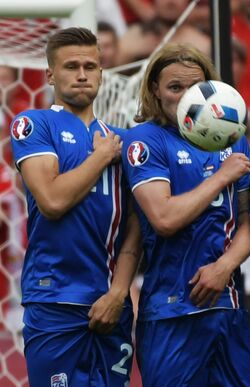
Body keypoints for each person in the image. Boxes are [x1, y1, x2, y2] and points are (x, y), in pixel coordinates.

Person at [9, 27, 141, 386]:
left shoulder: (125, 140)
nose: (82, 74)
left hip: (112, 303)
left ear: (102, 72)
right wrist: (100, 158)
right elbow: (52, 201)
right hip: (54, 298)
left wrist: (119, 293)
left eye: (90, 66)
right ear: (50, 75)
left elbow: (134, 225)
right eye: (71, 66)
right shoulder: (33, 124)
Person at [121, 43, 250, 386]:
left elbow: (249, 222)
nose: (186, 97)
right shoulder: (145, 140)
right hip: (171, 310)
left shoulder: (233, 137)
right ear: (155, 90)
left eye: (194, 88)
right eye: (174, 87)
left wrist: (223, 268)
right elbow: (164, 219)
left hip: (227, 305)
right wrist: (221, 177)